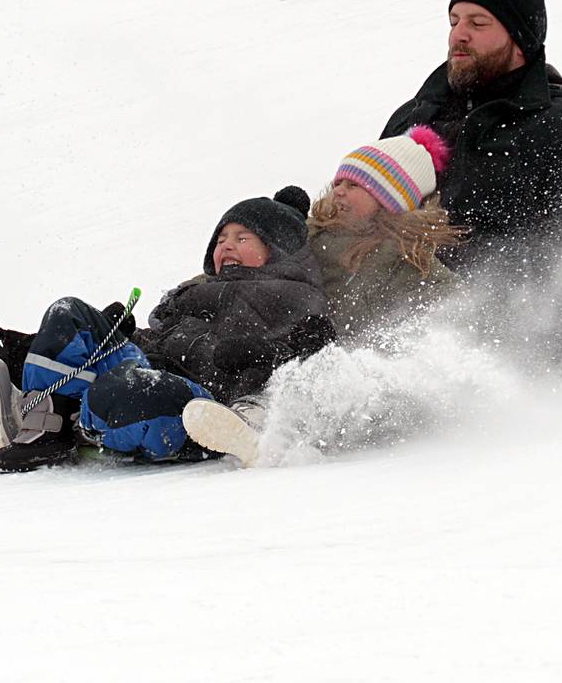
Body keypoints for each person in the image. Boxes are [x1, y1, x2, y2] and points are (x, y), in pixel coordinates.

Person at [0, 187, 330, 472]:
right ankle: (39, 419)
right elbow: (163, 338)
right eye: (221, 238)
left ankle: (17, 379)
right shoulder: (196, 290)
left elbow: (300, 356)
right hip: (151, 364)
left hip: (201, 397)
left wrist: (256, 352)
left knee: (122, 389)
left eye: (242, 238)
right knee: (68, 313)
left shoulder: (294, 298)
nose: (226, 246)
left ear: (276, 250)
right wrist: (121, 333)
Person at [378, 0, 562, 360]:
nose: (459, 34)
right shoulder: (414, 116)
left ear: (520, 39)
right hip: (374, 321)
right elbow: (361, 207)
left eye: (478, 22)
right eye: (454, 21)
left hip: (482, 348)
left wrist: (531, 339)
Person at [183, 127, 466, 465]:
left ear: (390, 198)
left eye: (353, 185)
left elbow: (451, 316)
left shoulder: (414, 263)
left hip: (350, 364)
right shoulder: (312, 235)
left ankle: (271, 432)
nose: (339, 193)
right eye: (338, 184)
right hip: (287, 339)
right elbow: (255, 268)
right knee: (250, 359)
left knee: (341, 382)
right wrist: (196, 287)